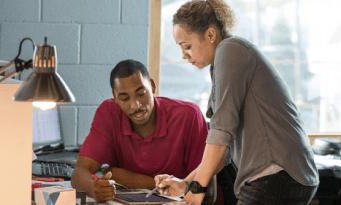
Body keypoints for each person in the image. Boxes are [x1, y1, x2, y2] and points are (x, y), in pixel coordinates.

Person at [154, 0, 319, 204]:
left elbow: (221, 130)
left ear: (210, 35)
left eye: (187, 46)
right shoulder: (225, 59)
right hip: (286, 176)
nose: (183, 55)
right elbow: (227, 150)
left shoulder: (230, 50)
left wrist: (198, 190)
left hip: (276, 175)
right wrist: (187, 184)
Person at [70, 59, 211, 202]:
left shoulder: (189, 115)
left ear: (152, 86)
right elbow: (79, 173)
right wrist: (93, 187)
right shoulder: (108, 112)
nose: (135, 106)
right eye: (124, 98)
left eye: (141, 94)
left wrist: (132, 180)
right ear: (115, 96)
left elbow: (206, 184)